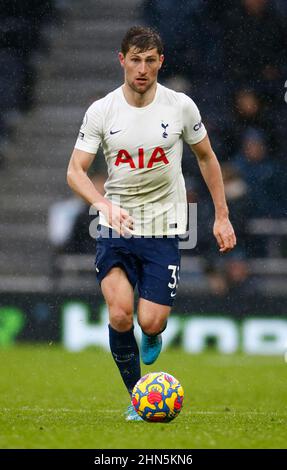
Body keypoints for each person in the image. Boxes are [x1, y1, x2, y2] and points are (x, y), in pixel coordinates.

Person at [67, 26, 236, 421]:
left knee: (150, 320)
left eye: (150, 60)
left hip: (164, 228)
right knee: (120, 313)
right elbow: (75, 170)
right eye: (135, 59)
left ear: (161, 62)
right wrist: (101, 203)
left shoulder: (180, 107)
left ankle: (154, 334)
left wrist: (222, 216)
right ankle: (136, 397)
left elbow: (207, 158)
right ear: (121, 60)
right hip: (115, 226)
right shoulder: (102, 111)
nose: (142, 69)